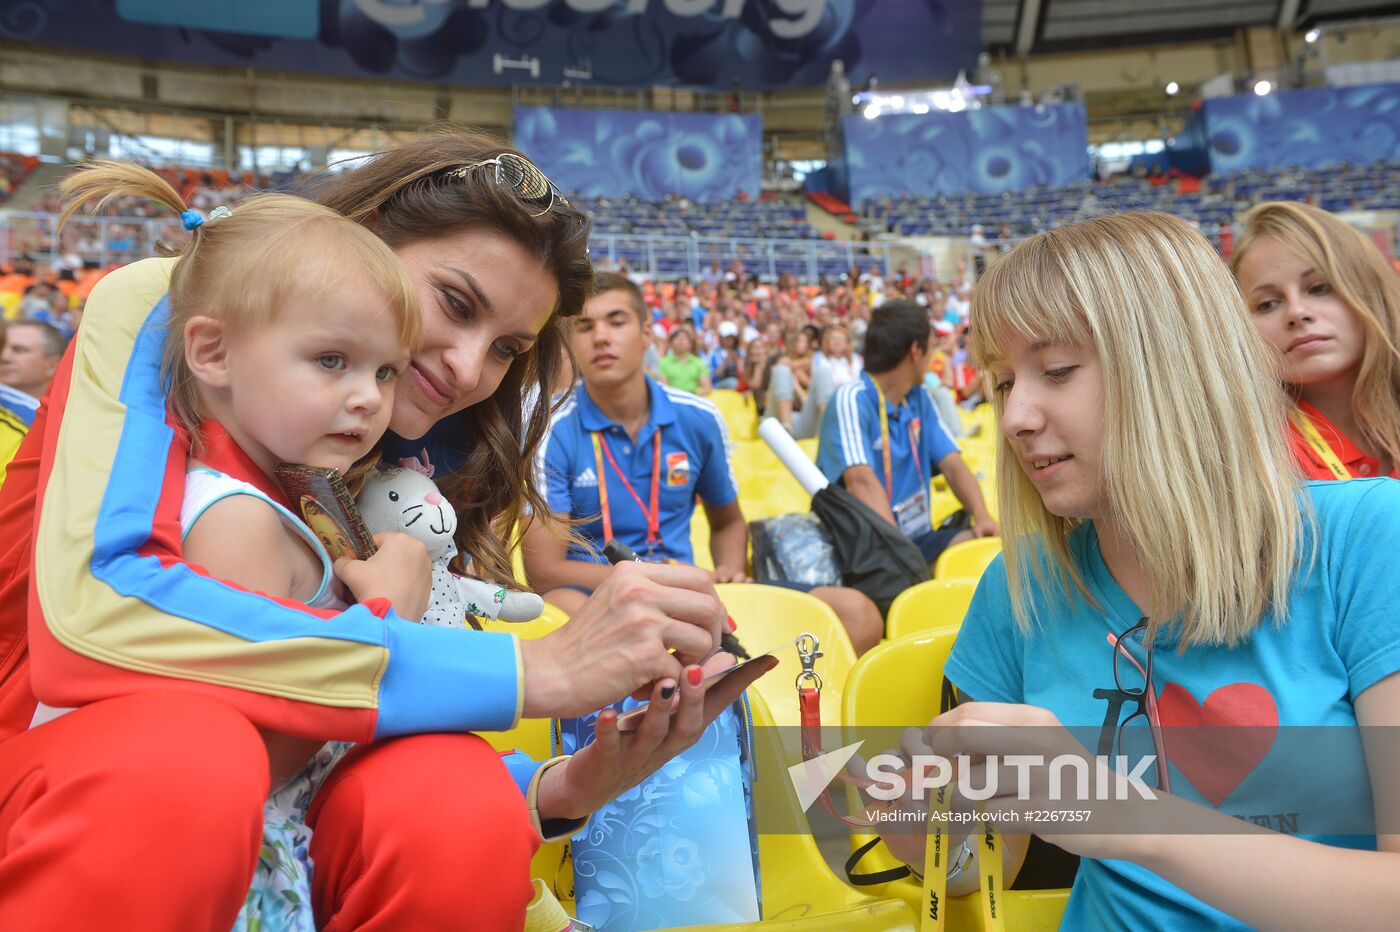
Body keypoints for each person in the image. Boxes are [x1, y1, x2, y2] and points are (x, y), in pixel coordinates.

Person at [0, 134, 771, 930]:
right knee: (188, 764)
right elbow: (88, 620)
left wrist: (560, 789)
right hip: (55, 775)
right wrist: (529, 670)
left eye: (508, 348)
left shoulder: (400, 455)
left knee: (451, 801)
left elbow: (339, 746)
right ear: (363, 235)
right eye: (455, 303)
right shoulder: (173, 299)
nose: (470, 371)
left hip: (269, 827)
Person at [873, 212, 1400, 929]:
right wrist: (934, 834)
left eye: (1057, 371)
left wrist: (1128, 817)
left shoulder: (1368, 536)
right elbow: (990, 866)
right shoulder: (1019, 587)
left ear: (1177, 364)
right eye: (1001, 385)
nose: (1015, 418)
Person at [54, 162, 433, 929]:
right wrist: (394, 620)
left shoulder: (262, 497)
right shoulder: (236, 522)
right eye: (333, 360)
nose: (369, 396)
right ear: (213, 353)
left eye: (385, 370)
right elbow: (258, 753)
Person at [524, 272, 883, 653]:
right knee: (562, 607)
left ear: (647, 333)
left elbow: (727, 521)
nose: (601, 337)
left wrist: (729, 569)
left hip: (687, 590)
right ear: (571, 341)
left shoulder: (700, 418)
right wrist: (648, 580)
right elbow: (545, 570)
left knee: (857, 613)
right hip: (599, 595)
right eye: (585, 327)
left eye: (616, 322)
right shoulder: (550, 429)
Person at [817, 300, 997, 573]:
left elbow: (952, 464)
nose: (935, 356)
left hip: (915, 543)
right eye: (932, 346)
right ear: (915, 351)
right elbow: (861, 483)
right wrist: (903, 558)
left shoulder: (920, 398)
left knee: (985, 549)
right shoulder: (852, 398)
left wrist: (982, 516)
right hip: (872, 550)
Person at [1231, 200, 1400, 479]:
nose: (1297, 312)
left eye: (1319, 288)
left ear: (1373, 291)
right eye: (1267, 304)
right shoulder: (1250, 458)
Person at [0, 319, 66, 402]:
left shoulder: (69, 413)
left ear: (52, 366)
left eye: (19, 350)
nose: (4, 357)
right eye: (1, 349)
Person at [658, 324, 711, 394]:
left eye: (684, 339)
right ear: (671, 343)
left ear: (690, 345)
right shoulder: (664, 362)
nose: (680, 341)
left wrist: (698, 397)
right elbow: (663, 386)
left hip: (692, 397)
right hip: (672, 398)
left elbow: (706, 386)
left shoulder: (698, 363)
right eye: (677, 338)